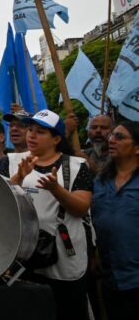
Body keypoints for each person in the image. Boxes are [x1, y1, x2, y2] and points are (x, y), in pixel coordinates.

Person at [2, 109, 93, 320]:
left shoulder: (76, 165)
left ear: (56, 139)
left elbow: (81, 208)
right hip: (24, 253)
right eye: (30, 129)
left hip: (65, 253)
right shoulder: (12, 161)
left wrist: (57, 189)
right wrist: (18, 177)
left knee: (67, 310)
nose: (31, 135)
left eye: (41, 132)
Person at [91, 121, 139, 320]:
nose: (111, 140)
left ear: (137, 147)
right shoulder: (100, 181)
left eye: (120, 137)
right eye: (112, 136)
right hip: (109, 276)